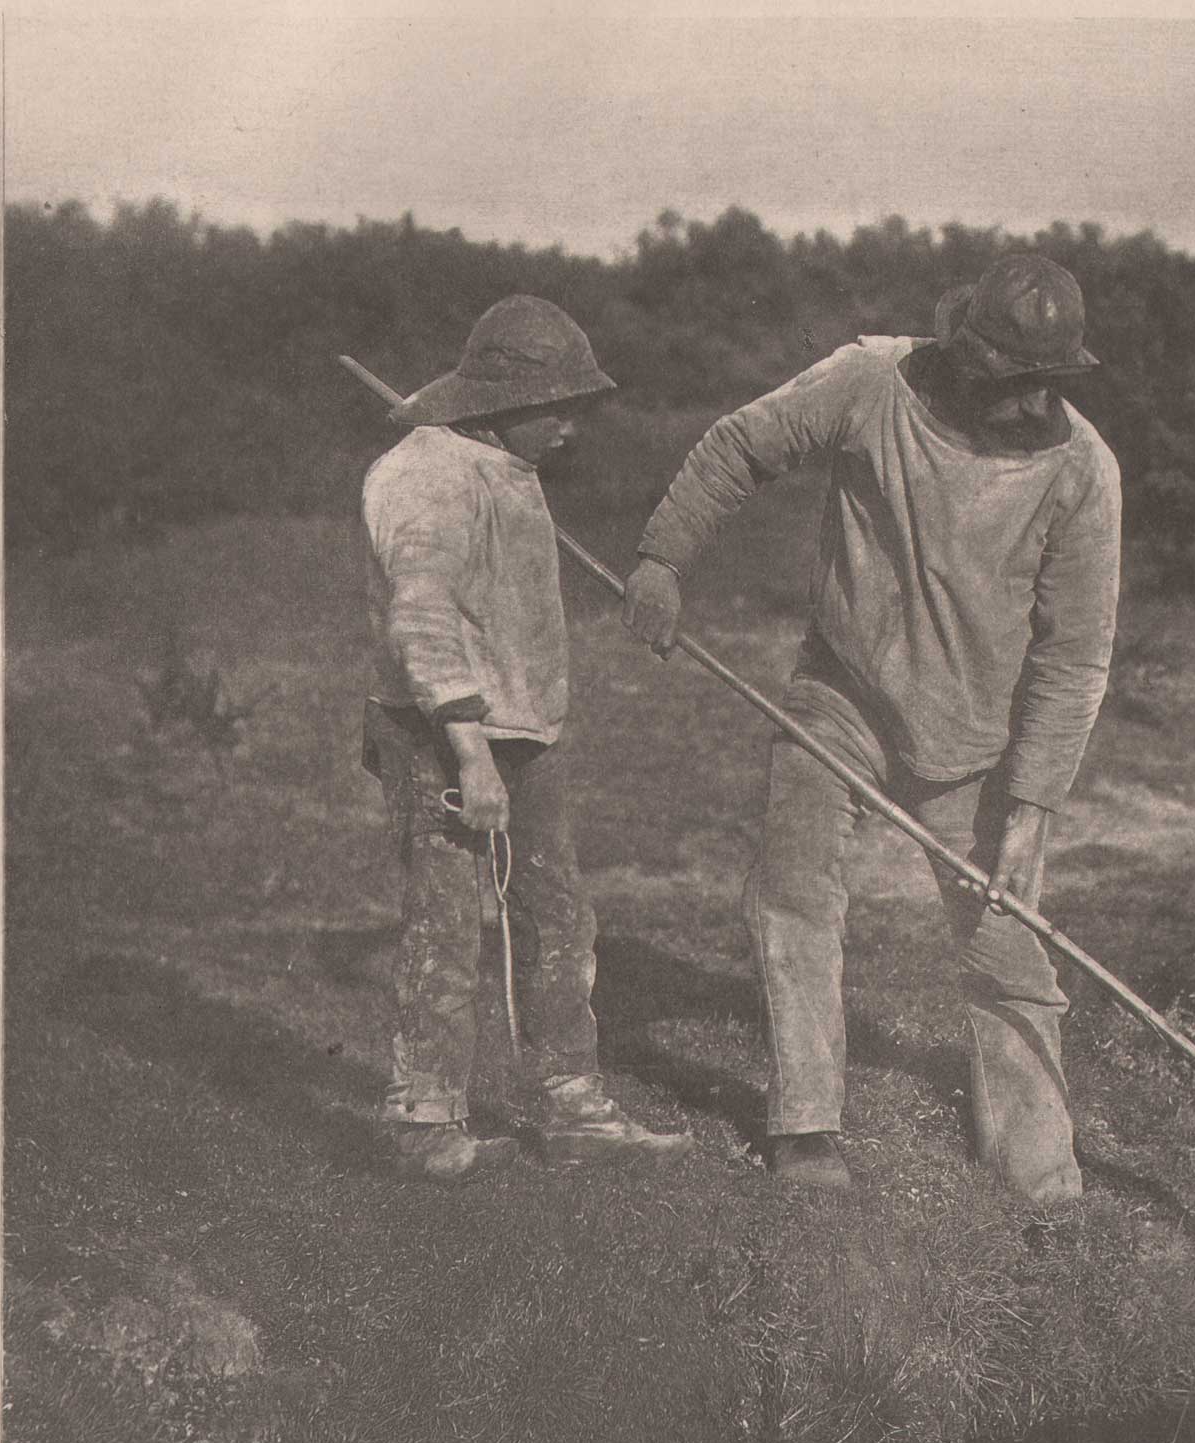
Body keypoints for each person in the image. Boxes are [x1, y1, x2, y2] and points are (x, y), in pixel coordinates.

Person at [622, 253, 1121, 1204]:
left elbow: (1077, 653)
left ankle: (1041, 1178)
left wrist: (1033, 808)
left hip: (981, 738)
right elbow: (740, 445)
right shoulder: (869, 382)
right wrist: (660, 558)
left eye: (1046, 387)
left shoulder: (1083, 474)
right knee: (794, 891)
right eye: (1011, 382)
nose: (1027, 406)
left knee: (1009, 955)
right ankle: (806, 1129)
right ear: (964, 354)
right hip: (842, 696)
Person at [362, 294, 695, 1183]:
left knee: (555, 916)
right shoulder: (425, 472)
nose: (573, 427)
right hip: (442, 730)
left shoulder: (504, 469)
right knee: (445, 922)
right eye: (560, 407)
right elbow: (422, 619)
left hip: (525, 731)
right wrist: (468, 755)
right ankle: (425, 1121)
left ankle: (568, 1100)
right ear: (506, 403)